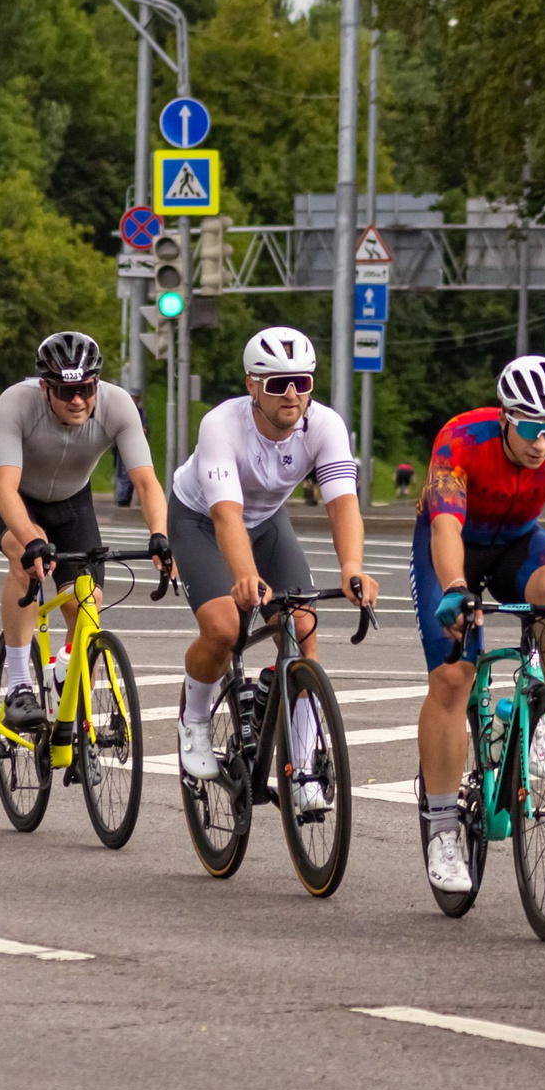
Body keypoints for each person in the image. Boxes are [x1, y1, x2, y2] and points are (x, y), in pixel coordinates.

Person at [413, 353, 545, 895]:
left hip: (517, 543)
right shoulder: (462, 438)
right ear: (504, 417)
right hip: (452, 547)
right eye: (530, 427)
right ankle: (443, 826)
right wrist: (455, 588)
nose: (543, 441)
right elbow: (446, 525)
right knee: (454, 678)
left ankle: (540, 702)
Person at [170, 328, 377, 814]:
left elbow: (343, 505)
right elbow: (224, 515)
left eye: (302, 382)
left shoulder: (324, 425)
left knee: (302, 630)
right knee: (222, 628)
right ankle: (194, 722)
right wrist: (244, 575)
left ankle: (301, 769)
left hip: (264, 521)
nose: (292, 394)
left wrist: (352, 567)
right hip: (200, 519)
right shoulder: (221, 425)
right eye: (279, 382)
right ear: (252, 385)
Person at [0, 331, 169, 732]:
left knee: (86, 603)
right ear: (45, 386)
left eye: (86, 388)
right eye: (66, 391)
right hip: (16, 496)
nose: (78, 400)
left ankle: (73, 704)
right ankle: (17, 687)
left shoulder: (118, 406)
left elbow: (148, 482)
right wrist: (32, 539)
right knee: (24, 558)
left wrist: (160, 535)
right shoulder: (16, 403)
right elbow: (4, 489)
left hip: (71, 501)